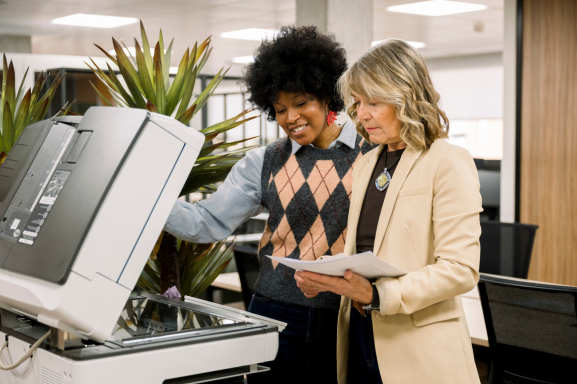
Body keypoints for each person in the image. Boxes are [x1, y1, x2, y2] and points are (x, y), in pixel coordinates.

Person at [163, 25, 374, 383]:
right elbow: (207, 222)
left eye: (301, 102)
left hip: (348, 314)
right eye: (279, 109)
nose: (291, 118)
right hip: (275, 313)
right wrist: (143, 201)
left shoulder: (371, 154)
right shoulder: (263, 162)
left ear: (327, 96)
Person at [294, 39, 482, 384]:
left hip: (417, 349)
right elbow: (369, 252)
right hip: (361, 334)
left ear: (406, 97)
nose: (361, 114)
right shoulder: (367, 162)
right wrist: (325, 276)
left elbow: (461, 270)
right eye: (358, 102)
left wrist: (380, 294)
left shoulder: (448, 161)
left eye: (374, 102)